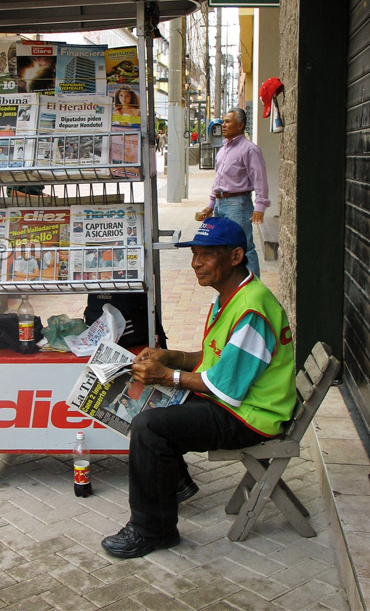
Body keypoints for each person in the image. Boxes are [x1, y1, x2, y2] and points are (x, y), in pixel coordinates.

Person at [101, 217, 295, 559]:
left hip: (250, 415)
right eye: (194, 254)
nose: (195, 263)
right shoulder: (232, 295)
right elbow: (214, 359)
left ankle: (153, 530)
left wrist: (165, 376)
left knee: (149, 425)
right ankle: (172, 482)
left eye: (206, 255)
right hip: (236, 403)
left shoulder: (252, 309)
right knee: (149, 406)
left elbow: (225, 389)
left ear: (235, 256)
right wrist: (171, 357)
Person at [197, 107, 269, 277]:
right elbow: (218, 181)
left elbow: (260, 180)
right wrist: (210, 206)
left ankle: (253, 289)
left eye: (228, 121)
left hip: (238, 205)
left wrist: (260, 206)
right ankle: (234, 284)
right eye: (223, 121)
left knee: (244, 247)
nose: (223, 125)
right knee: (225, 246)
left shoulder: (249, 149)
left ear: (240, 125)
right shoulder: (222, 151)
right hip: (221, 205)